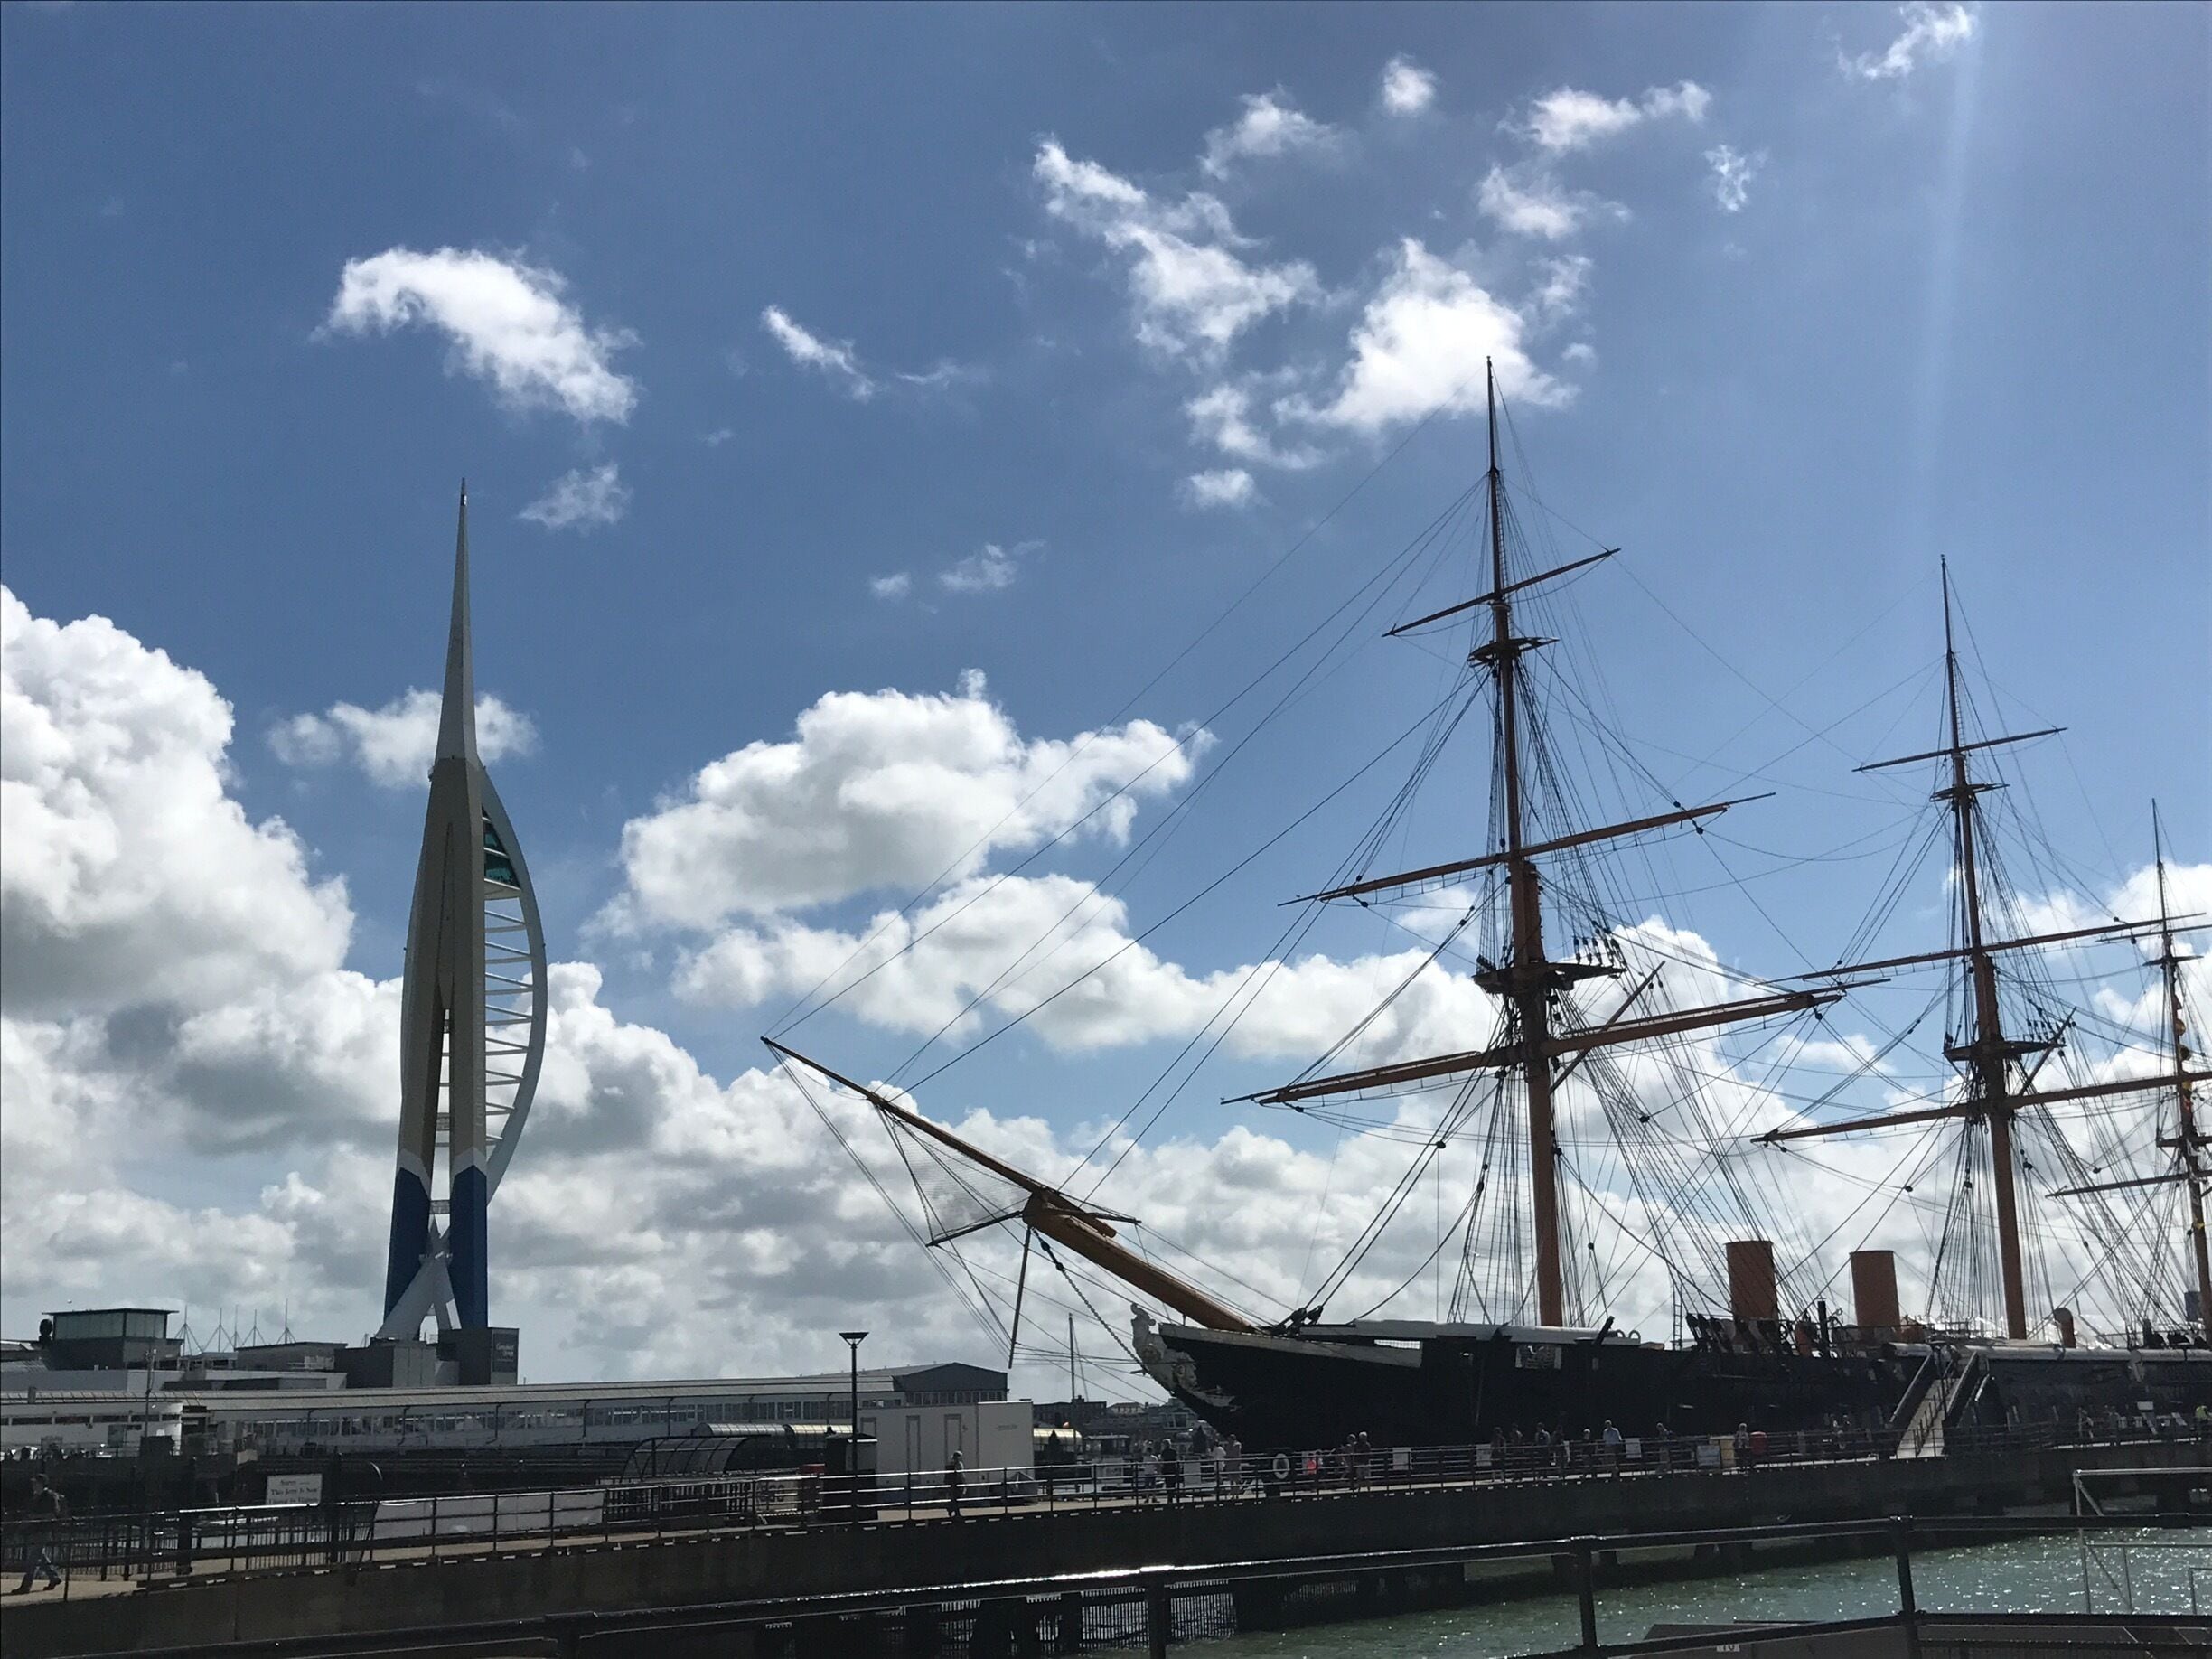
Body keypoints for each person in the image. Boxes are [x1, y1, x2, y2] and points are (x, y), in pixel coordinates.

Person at [13, 1476, 67, 1594]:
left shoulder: (50, 1497)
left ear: (42, 1484)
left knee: (33, 1559)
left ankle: (26, 1585)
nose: (33, 1486)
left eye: (36, 1483)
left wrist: (35, 1518)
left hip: (44, 1530)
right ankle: (54, 1577)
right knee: (39, 1556)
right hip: (36, 1530)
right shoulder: (36, 1497)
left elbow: (53, 1514)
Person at [944, 1448, 965, 1517]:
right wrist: (964, 1482)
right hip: (958, 1482)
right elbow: (961, 1474)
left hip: (953, 1483)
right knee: (957, 1498)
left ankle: (952, 1510)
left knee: (955, 1498)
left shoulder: (951, 1464)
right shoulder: (959, 1464)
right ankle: (953, 1510)